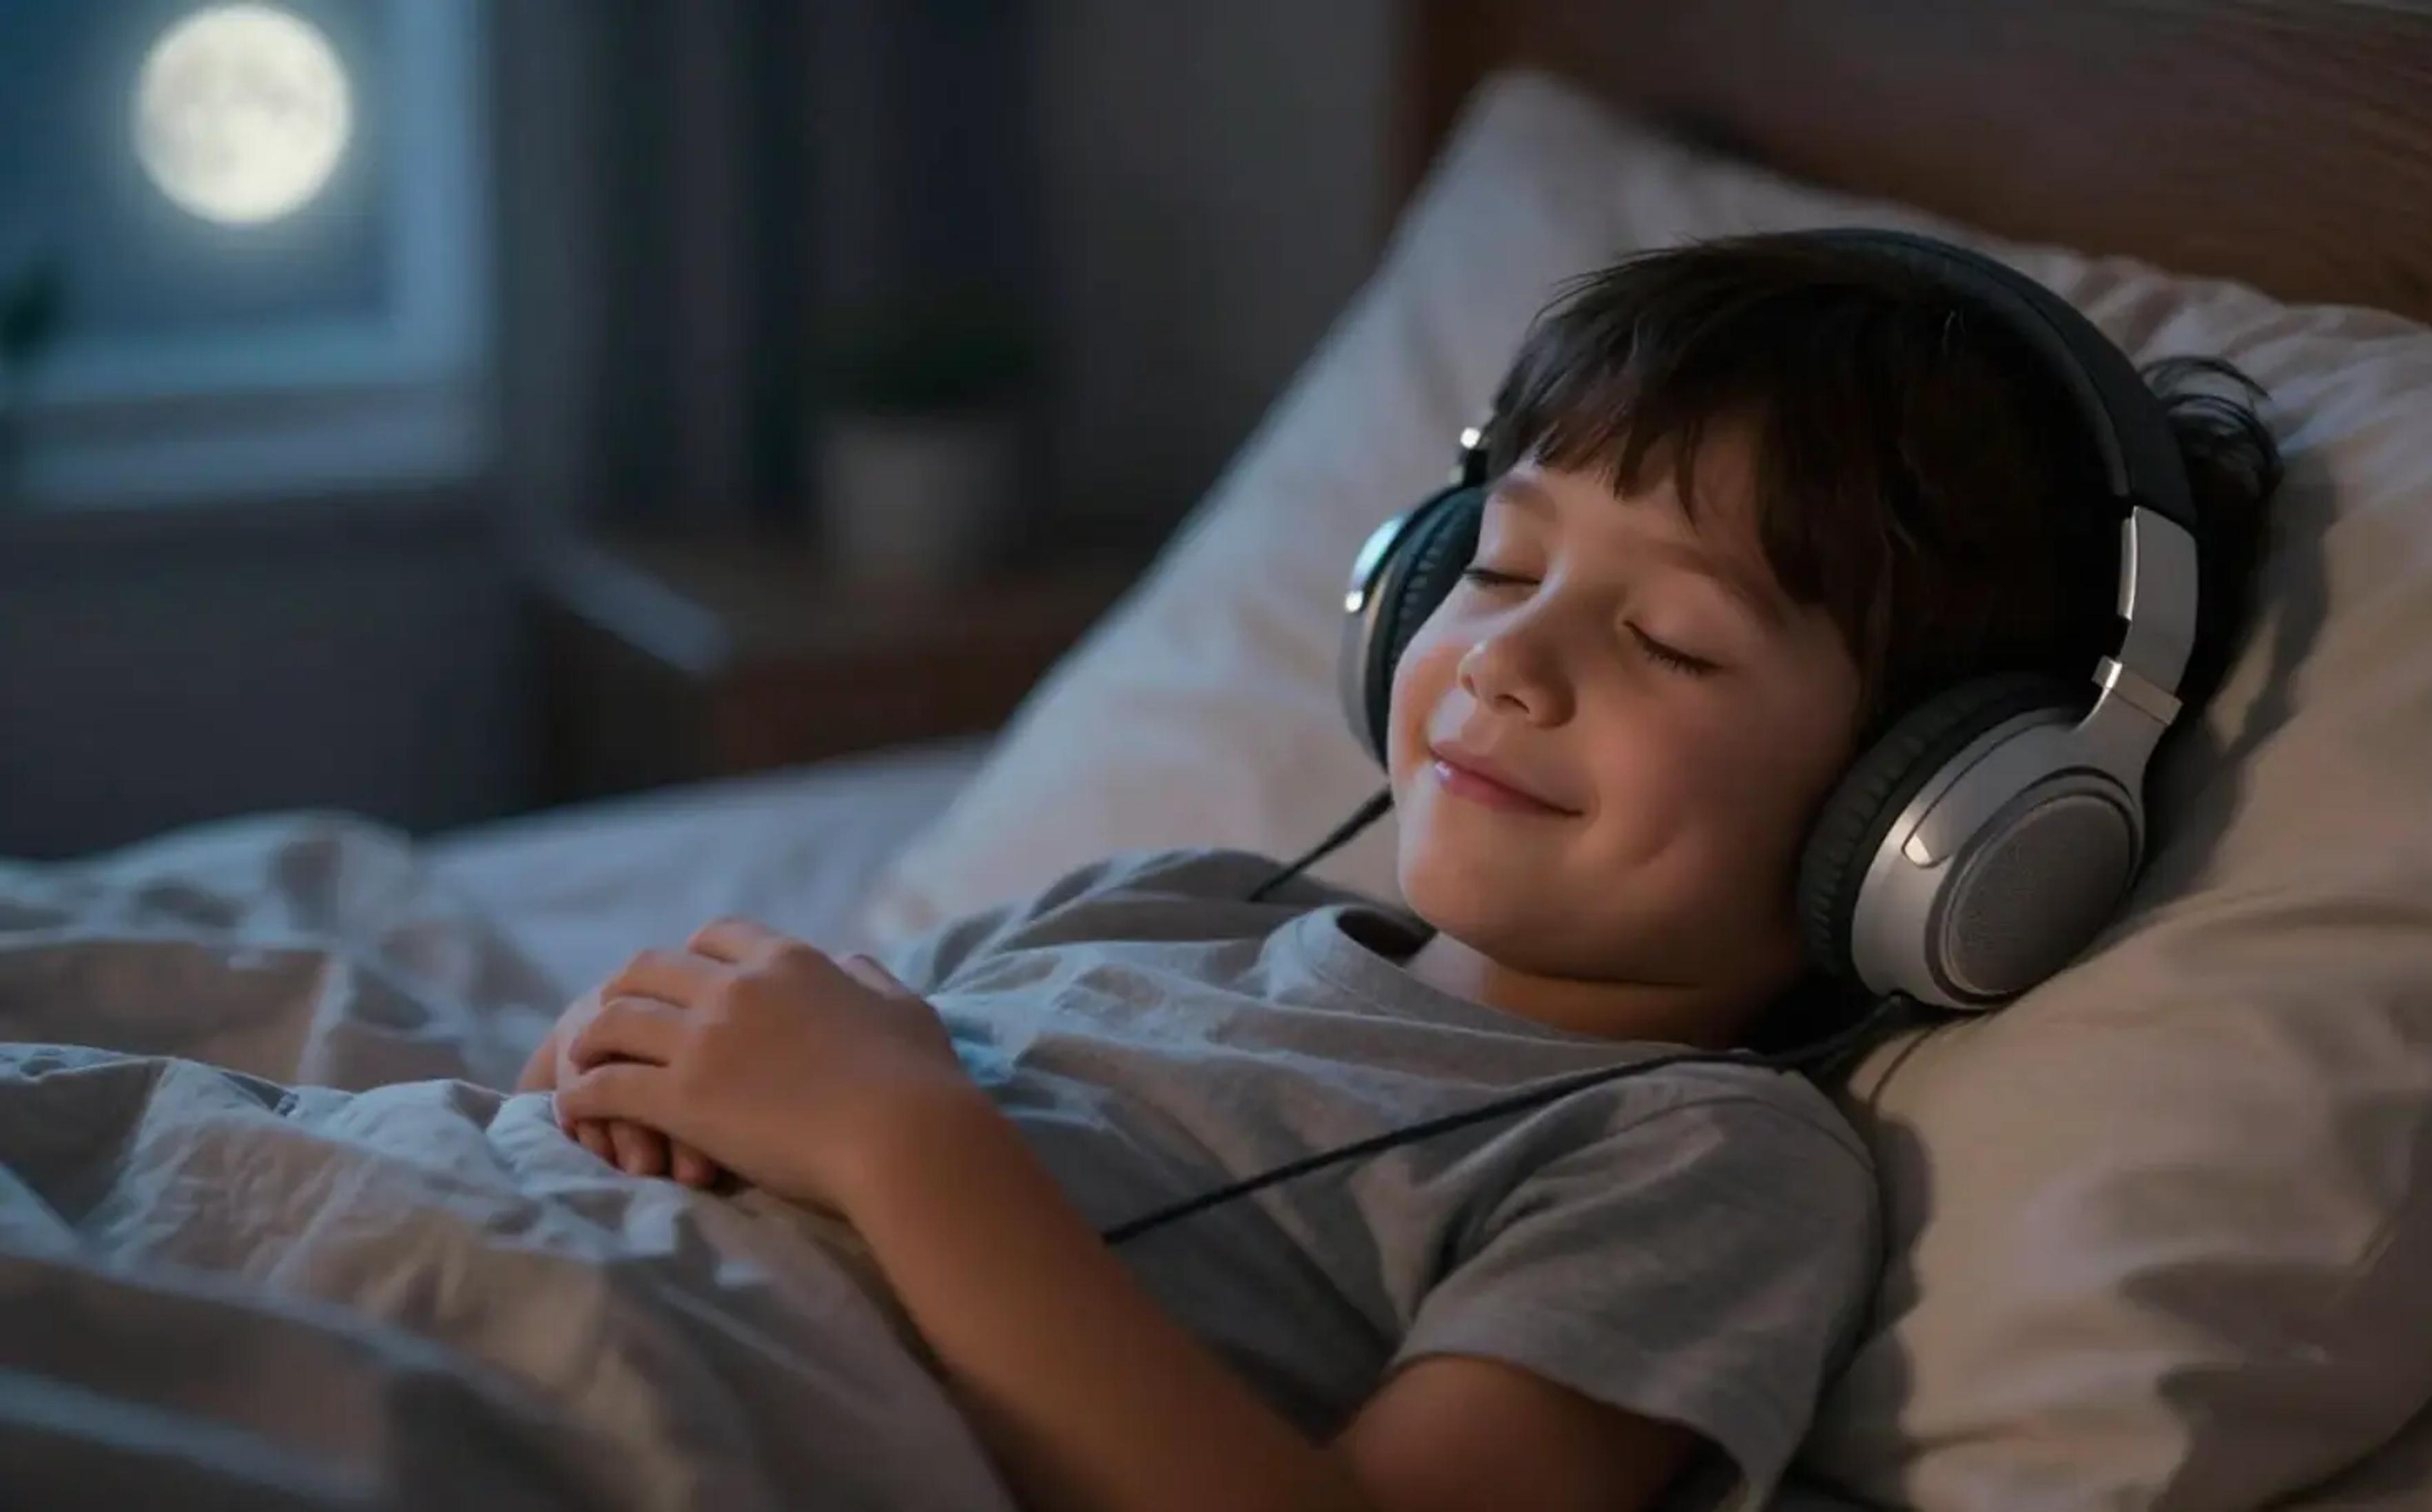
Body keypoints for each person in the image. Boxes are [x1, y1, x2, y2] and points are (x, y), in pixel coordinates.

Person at [516, 232, 2282, 1512]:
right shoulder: (1170, 900)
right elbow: (696, 1093)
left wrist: (907, 1144)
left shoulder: (1692, 1156)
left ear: (1935, 820)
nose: (1508, 663)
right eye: (1504, 569)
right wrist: (628, 1069)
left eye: (1672, 640)